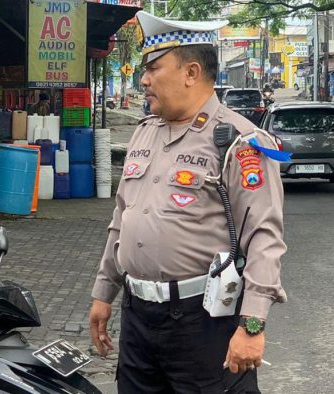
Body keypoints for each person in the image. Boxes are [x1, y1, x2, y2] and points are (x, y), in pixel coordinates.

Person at [88, 11, 287, 393]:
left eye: (154, 68)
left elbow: (264, 237)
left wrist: (252, 324)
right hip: (138, 318)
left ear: (191, 72)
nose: (143, 79)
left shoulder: (239, 142)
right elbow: (121, 220)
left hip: (203, 323)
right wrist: (103, 293)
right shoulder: (144, 133)